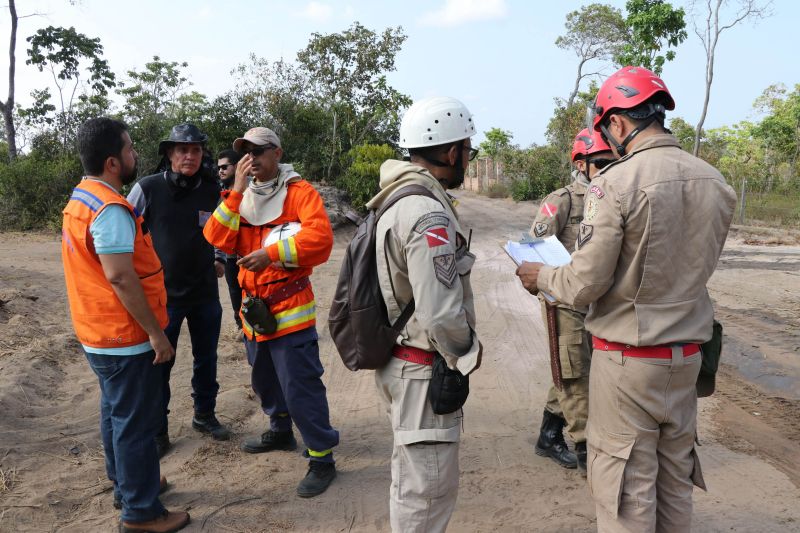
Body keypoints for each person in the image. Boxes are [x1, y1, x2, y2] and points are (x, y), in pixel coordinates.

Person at [516, 66, 737, 532]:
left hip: (628, 363)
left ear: (616, 123)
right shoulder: (715, 182)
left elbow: (583, 283)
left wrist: (541, 276)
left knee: (626, 494)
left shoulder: (614, 183)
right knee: (675, 485)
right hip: (687, 359)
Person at [62, 117, 190, 532]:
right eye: (131, 149)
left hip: (97, 333)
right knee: (136, 422)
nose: (137, 154)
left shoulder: (82, 198)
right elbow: (120, 276)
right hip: (124, 336)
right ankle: (140, 513)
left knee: (116, 412)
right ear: (113, 162)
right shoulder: (110, 209)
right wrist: (156, 333)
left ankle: (128, 483)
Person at [203, 127, 339, 497]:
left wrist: (272, 254)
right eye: (246, 152)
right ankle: (280, 430)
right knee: (264, 379)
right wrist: (236, 193)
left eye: (259, 151)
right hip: (254, 310)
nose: (253, 159)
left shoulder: (300, 193)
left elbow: (321, 241)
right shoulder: (239, 196)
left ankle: (322, 457)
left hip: (290, 306)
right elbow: (215, 237)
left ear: (277, 153)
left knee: (300, 386)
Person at [368, 96, 482, 532]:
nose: (468, 159)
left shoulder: (396, 197)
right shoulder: (427, 212)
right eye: (467, 150)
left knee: (412, 481)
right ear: (451, 151)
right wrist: (466, 352)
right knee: (427, 494)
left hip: (400, 362)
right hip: (422, 371)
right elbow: (439, 313)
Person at [127, 124, 231, 456]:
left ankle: (204, 414)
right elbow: (125, 231)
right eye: (182, 150)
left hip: (204, 293)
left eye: (196, 150)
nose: (190, 155)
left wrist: (220, 258)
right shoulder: (147, 188)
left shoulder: (213, 189)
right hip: (163, 297)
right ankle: (158, 429)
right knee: (160, 363)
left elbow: (224, 229)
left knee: (207, 358)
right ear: (170, 154)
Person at [529, 128, 614, 474]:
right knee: (575, 371)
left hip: (593, 299)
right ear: (581, 162)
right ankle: (585, 449)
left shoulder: (611, 195)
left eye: (614, 160)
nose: (610, 168)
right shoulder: (562, 199)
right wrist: (548, 286)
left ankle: (549, 435)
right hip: (562, 297)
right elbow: (533, 245)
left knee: (572, 367)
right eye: (602, 162)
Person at [217, 149, 244, 340]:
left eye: (225, 167)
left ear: (237, 166)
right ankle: (240, 325)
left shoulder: (252, 191)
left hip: (251, 254)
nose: (221, 171)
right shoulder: (222, 194)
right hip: (230, 255)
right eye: (218, 168)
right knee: (234, 290)